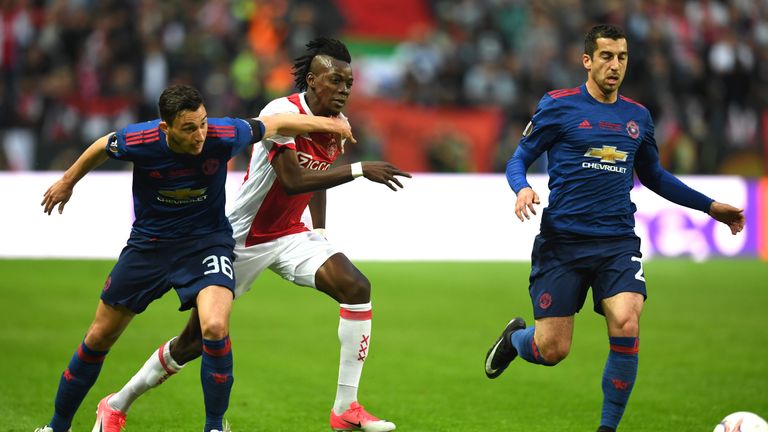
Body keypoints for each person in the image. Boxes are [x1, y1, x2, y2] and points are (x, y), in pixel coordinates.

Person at [92, 38, 408, 432]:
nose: (344, 90)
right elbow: (294, 180)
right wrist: (360, 170)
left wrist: (321, 231)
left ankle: (346, 408)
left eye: (349, 83)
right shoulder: (281, 112)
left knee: (356, 287)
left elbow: (318, 178)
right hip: (243, 237)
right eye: (336, 81)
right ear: (312, 80)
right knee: (193, 342)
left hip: (290, 235)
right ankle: (116, 403)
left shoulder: (338, 125)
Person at [35, 84, 357, 432]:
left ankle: (215, 427)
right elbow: (103, 144)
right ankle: (56, 427)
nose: (200, 134)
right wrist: (68, 181)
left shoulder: (224, 133)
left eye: (203, 123)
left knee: (215, 327)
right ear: (166, 129)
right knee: (99, 337)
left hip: (207, 244)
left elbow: (277, 123)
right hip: (150, 247)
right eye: (189, 128)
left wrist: (332, 126)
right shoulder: (141, 140)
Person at [484, 24, 745, 432]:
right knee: (552, 349)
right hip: (563, 243)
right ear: (587, 61)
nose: (615, 65)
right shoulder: (558, 105)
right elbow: (518, 159)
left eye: (622, 57)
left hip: (616, 242)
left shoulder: (637, 117)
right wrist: (522, 189)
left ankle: (607, 429)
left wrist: (710, 207)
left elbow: (655, 176)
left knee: (626, 320)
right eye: (606, 56)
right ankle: (517, 340)